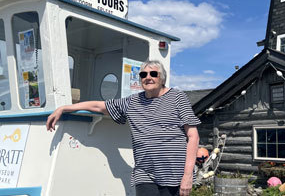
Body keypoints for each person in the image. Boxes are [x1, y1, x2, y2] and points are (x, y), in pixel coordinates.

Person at [46, 60, 201, 196]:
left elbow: (193, 136)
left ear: (162, 78)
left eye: (153, 73)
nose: (148, 77)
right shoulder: (132, 102)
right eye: (143, 74)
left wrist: (187, 175)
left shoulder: (177, 97)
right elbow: (99, 106)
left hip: (174, 174)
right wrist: (64, 108)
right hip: (144, 174)